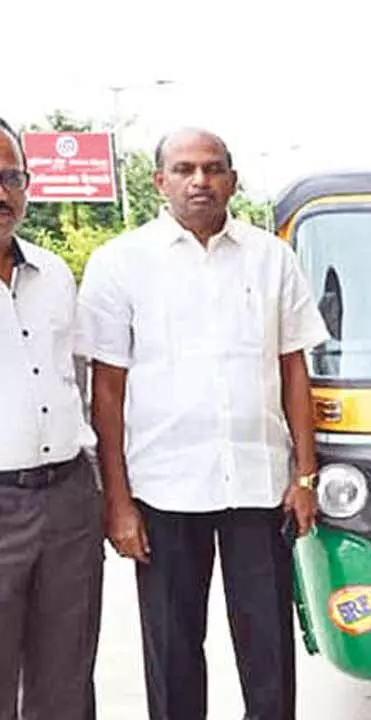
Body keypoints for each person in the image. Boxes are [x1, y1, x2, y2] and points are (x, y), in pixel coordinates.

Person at [75, 128, 331, 720]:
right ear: (159, 181)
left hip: (258, 486)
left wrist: (306, 475)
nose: (200, 181)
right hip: (164, 490)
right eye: (184, 169)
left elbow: (295, 368)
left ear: (233, 181)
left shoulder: (273, 258)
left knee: (268, 650)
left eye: (213, 169)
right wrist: (118, 502)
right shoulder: (120, 264)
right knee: (172, 652)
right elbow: (106, 391)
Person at [0, 118, 104, 720]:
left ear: (29, 185)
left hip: (67, 502)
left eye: (10, 176)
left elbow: (79, 380)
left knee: (66, 678)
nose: (0, 193)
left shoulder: (55, 274)